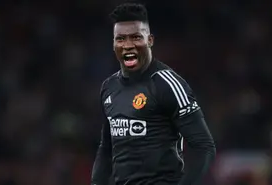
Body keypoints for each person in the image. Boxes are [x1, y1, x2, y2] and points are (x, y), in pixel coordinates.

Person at [91, 2, 216, 185]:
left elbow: (204, 147)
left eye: (136, 37)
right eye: (121, 39)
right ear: (113, 43)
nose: (128, 45)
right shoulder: (109, 87)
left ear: (150, 40)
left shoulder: (167, 84)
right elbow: (106, 148)